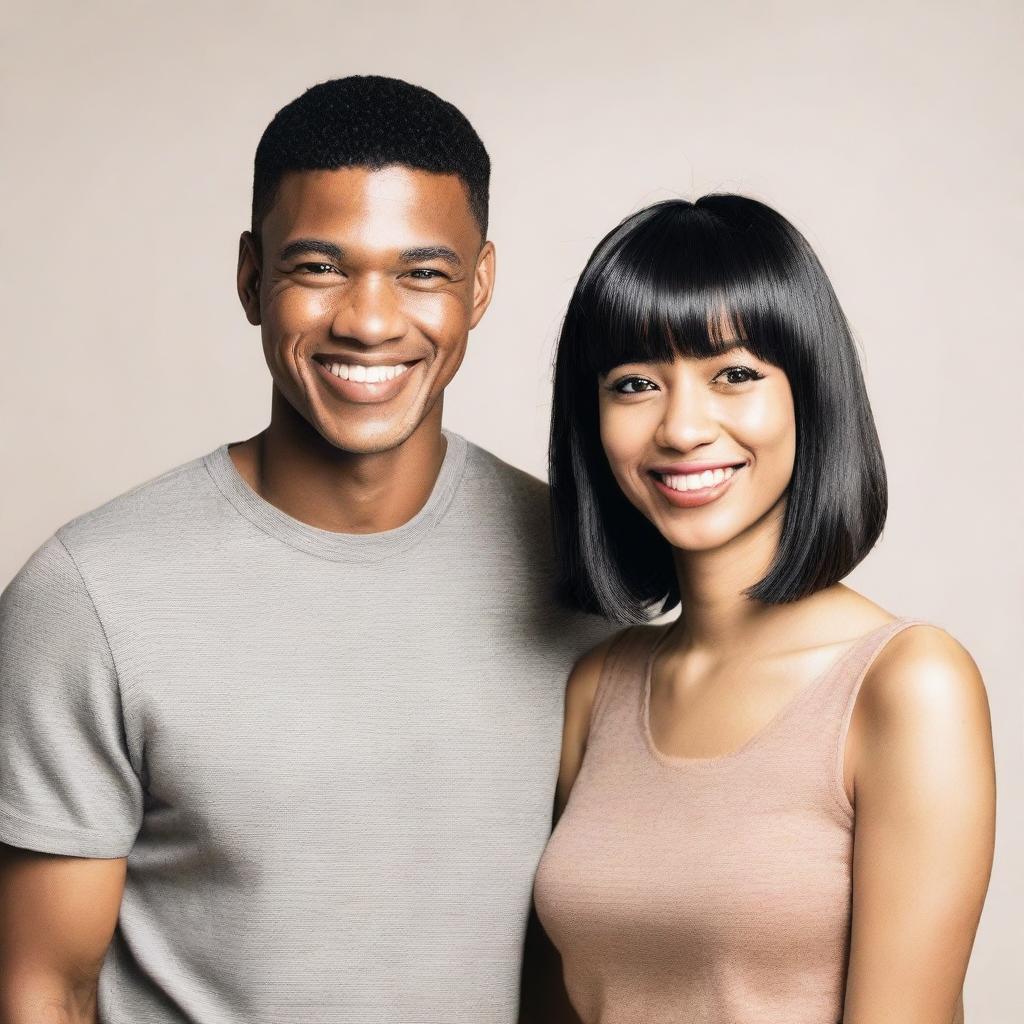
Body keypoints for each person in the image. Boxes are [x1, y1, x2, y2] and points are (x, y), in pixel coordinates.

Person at [0, 76, 607, 1024]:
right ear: (252, 278)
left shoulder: (584, 576)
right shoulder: (90, 595)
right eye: (320, 267)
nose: (369, 320)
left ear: (479, 286)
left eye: (422, 272)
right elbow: (45, 985)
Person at [532, 195, 995, 1023]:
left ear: (808, 393)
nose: (681, 427)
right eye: (635, 383)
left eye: (734, 374)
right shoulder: (597, 686)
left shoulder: (907, 684)